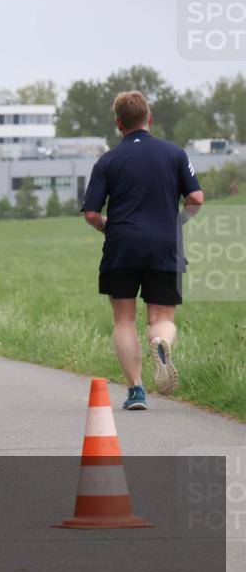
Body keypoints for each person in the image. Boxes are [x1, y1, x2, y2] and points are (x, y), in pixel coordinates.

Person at [81, 91, 204, 409]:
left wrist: (108, 227)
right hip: (165, 244)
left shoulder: (108, 160)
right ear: (149, 118)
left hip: (122, 245)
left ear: (118, 123)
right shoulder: (175, 154)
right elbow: (196, 198)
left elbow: (92, 213)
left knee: (123, 319)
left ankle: (136, 390)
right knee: (161, 316)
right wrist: (176, 222)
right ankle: (160, 343)